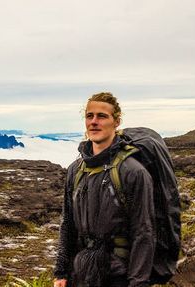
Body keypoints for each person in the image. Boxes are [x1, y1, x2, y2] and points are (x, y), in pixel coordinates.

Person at [54, 92, 155, 287]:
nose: (94, 122)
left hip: (118, 274)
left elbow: (144, 232)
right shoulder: (75, 170)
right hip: (81, 272)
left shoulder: (133, 172)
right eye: (89, 116)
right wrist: (61, 272)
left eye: (102, 116)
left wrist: (137, 283)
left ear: (116, 122)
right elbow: (68, 224)